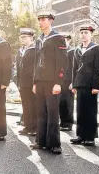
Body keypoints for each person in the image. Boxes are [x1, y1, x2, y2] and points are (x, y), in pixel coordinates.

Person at [30, 9, 67, 155]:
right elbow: (35, 62)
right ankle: (41, 141)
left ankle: (54, 144)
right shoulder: (39, 39)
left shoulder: (58, 38)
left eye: (44, 19)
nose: (41, 22)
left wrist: (59, 81)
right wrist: (34, 81)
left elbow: (63, 61)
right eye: (39, 20)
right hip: (39, 81)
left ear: (51, 20)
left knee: (52, 113)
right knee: (41, 112)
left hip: (52, 82)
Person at [70, 25, 99, 146]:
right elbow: (74, 68)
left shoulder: (96, 48)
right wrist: (74, 84)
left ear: (91, 34)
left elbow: (97, 68)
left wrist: (96, 86)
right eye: (82, 32)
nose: (83, 35)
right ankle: (80, 135)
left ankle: (90, 137)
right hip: (80, 83)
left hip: (90, 85)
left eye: (86, 33)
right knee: (80, 111)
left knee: (90, 111)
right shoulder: (77, 49)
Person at [16, 28, 37, 136]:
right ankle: (27, 126)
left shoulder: (35, 49)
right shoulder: (21, 50)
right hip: (23, 83)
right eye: (21, 37)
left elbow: (37, 67)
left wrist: (35, 83)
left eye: (25, 37)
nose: (22, 39)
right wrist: (17, 82)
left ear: (31, 37)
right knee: (25, 105)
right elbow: (18, 68)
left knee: (33, 105)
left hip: (32, 82)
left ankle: (34, 127)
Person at [59, 33, 75, 131]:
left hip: (68, 80)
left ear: (69, 40)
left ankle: (68, 124)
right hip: (60, 80)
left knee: (68, 103)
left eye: (65, 40)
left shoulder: (72, 51)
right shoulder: (60, 50)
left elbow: (74, 67)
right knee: (61, 102)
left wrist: (73, 82)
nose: (64, 41)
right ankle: (62, 122)